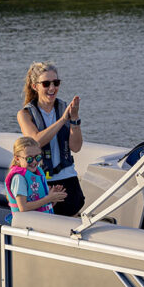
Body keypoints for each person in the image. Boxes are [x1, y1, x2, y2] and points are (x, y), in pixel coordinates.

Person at [16, 61, 85, 216]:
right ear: (35, 86)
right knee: (46, 226)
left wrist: (74, 119)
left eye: (56, 83)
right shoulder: (25, 115)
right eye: (46, 84)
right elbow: (36, 141)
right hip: (41, 180)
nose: (52, 88)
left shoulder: (64, 108)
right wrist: (62, 120)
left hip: (67, 179)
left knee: (71, 225)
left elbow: (76, 147)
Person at [5, 136, 66, 216]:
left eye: (38, 157)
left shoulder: (38, 172)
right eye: (29, 159)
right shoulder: (19, 178)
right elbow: (23, 207)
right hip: (27, 224)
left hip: (39, 221)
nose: (34, 161)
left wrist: (53, 197)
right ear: (17, 159)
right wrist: (48, 198)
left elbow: (43, 205)